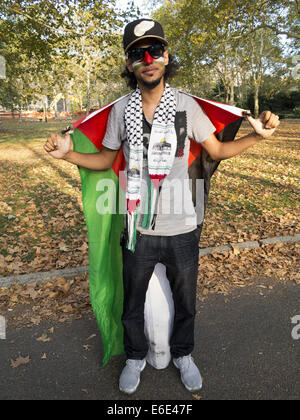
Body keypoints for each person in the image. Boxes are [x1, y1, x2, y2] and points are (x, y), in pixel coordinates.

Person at [44, 18, 280, 395]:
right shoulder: (122, 111)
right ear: (129, 64)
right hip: (138, 230)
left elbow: (216, 150)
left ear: (167, 58)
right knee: (133, 304)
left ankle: (184, 354)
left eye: (155, 51)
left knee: (187, 303)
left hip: (183, 228)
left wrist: (257, 136)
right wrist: (67, 155)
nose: (148, 58)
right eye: (138, 53)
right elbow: (106, 160)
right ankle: (135, 357)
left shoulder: (185, 106)